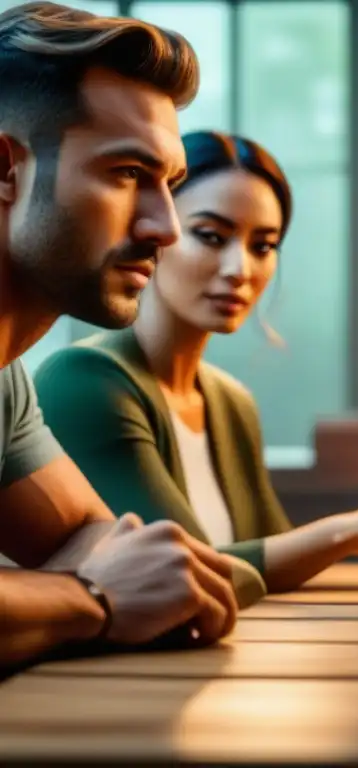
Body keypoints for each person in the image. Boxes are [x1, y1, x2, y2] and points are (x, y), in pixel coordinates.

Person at [33, 130, 358, 595]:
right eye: (211, 236)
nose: (241, 269)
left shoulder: (230, 401)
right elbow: (180, 576)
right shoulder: (83, 383)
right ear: (156, 231)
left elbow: (275, 557)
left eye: (263, 246)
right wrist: (351, 530)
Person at [0, 1, 245, 670]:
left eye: (169, 184)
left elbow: (93, 537)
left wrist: (101, 581)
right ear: (4, 170)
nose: (165, 227)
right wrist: (91, 600)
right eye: (128, 175)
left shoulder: (5, 381)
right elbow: (104, 576)